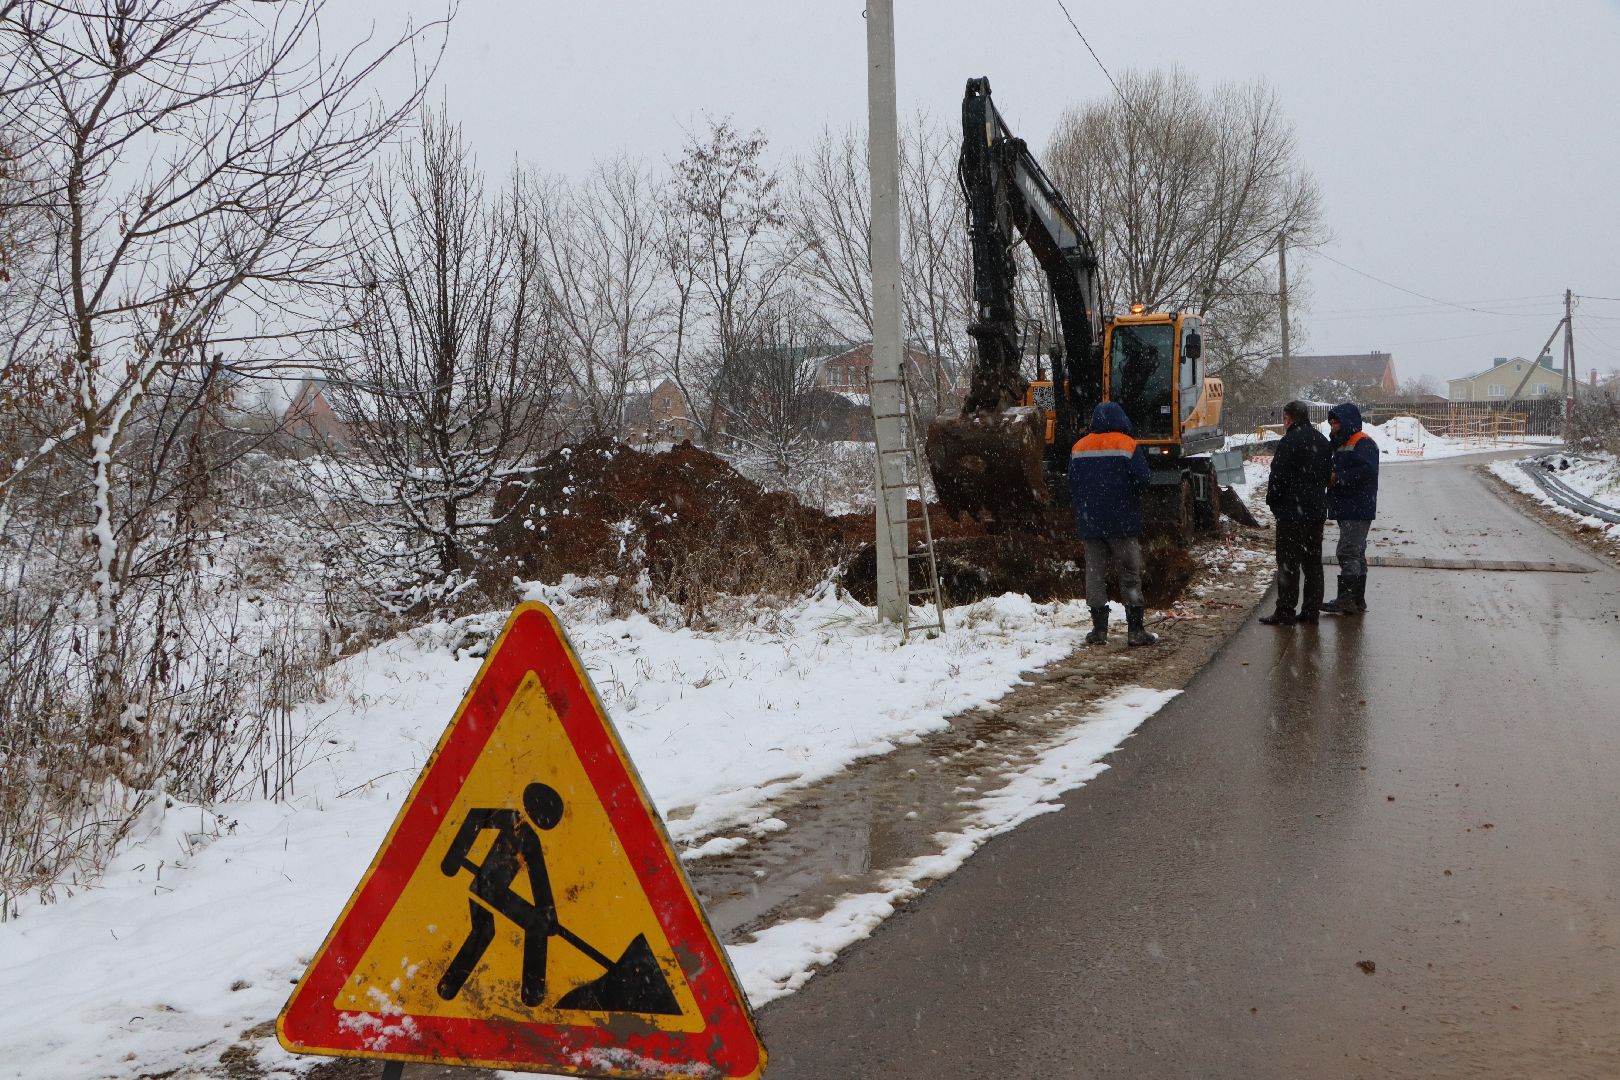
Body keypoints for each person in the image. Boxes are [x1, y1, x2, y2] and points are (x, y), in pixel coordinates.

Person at [1068, 400, 1158, 647]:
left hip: (1091, 523)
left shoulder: (1079, 447)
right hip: (1122, 522)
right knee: (1129, 573)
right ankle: (1135, 631)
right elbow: (1144, 480)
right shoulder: (1127, 445)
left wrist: (1088, 505)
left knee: (1094, 575)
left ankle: (1099, 631)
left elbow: (1072, 485)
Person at [1261, 400, 1332, 626]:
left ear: (1288, 418)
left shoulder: (1288, 441)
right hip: (1316, 512)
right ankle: (1311, 610)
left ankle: (1285, 611)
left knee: (1288, 564)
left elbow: (1278, 477)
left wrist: (1273, 502)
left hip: (1292, 514)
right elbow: (1326, 476)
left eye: (1284, 417)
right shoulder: (1322, 441)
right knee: (1313, 563)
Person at [1321, 402, 1379, 615]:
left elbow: (1366, 472)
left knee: (1347, 551)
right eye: (1331, 422)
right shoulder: (1343, 442)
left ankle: (1347, 600)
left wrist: (1338, 478)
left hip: (1357, 506)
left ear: (1347, 422)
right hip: (1352, 505)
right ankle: (1356, 600)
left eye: (1335, 422)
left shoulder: (1362, 443)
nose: (1332, 426)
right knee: (1356, 553)